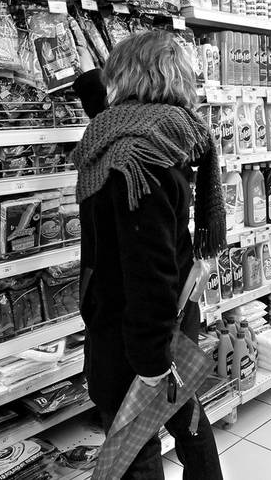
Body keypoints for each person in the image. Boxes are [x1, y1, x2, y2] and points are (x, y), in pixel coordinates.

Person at [71, 31, 225, 480]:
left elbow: (147, 270)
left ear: (127, 76)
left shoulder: (131, 155)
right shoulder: (168, 134)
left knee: (134, 448)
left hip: (136, 331)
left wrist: (151, 363)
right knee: (186, 414)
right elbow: (98, 99)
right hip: (172, 317)